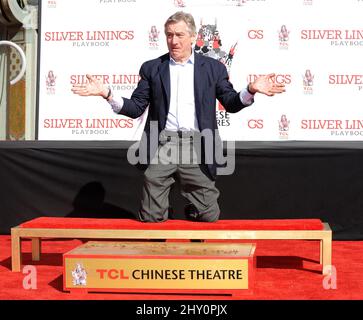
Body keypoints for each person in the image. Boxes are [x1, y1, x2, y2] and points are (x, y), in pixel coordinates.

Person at [71, 11, 285, 223]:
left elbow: (230, 102)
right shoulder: (152, 68)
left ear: (193, 37)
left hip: (198, 145)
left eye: (180, 35)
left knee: (209, 216)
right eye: (169, 35)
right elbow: (136, 107)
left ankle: (192, 211)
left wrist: (250, 89)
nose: (173, 41)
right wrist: (107, 94)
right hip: (163, 144)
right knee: (151, 216)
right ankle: (159, 236)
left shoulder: (213, 68)